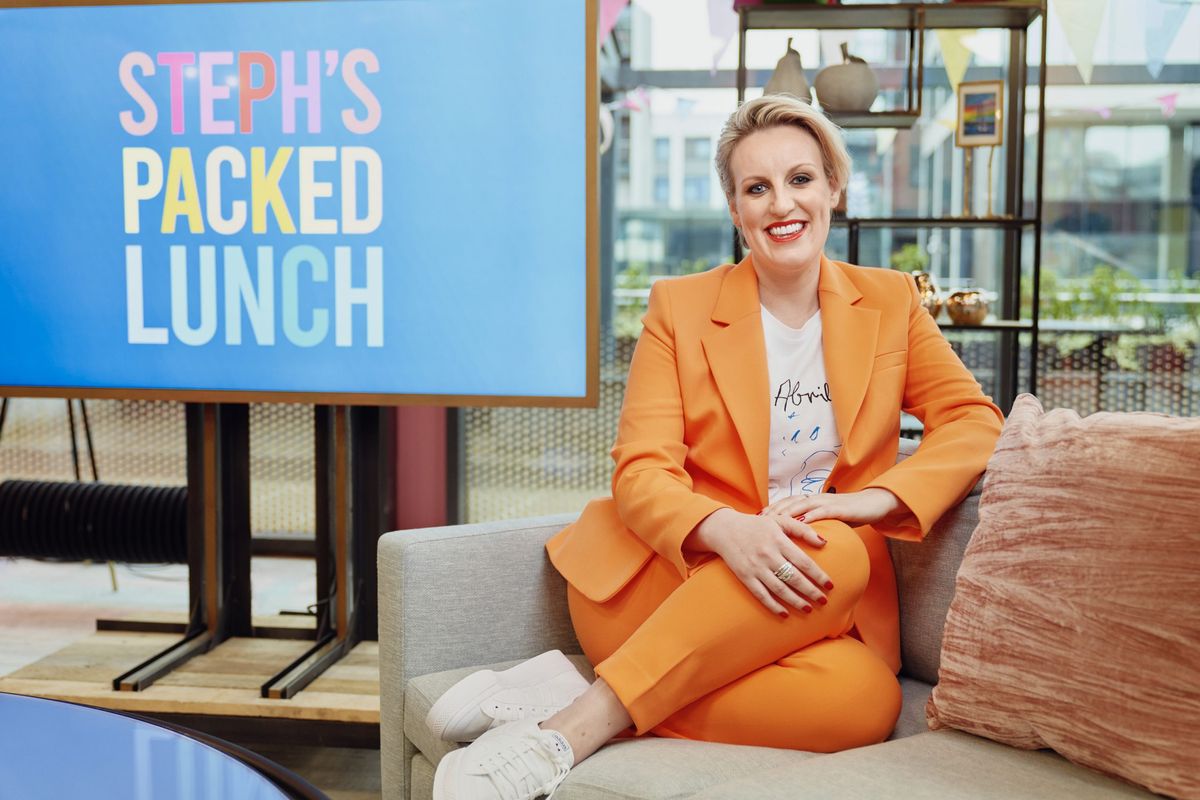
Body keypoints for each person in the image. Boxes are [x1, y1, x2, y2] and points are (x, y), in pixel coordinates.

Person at [427, 94, 1005, 800]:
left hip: (803, 603)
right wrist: (727, 530)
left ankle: (572, 691)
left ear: (834, 189)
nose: (780, 203)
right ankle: (567, 734)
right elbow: (641, 471)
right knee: (840, 558)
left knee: (864, 700)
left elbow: (974, 420)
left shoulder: (889, 303)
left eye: (799, 179)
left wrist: (866, 502)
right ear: (736, 210)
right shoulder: (681, 306)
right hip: (662, 583)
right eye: (755, 188)